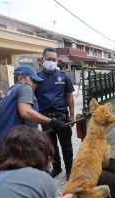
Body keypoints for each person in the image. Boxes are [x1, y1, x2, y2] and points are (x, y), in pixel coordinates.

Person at [0, 65, 67, 152]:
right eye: (33, 81)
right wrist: (52, 122)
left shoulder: (9, 94)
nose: (35, 84)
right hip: (18, 148)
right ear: (21, 78)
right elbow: (25, 112)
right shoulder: (25, 87)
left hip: (2, 148)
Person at [35, 47, 75, 180]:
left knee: (67, 147)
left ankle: (70, 169)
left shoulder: (63, 76)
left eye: (54, 59)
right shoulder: (37, 78)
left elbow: (70, 96)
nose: (51, 62)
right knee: (51, 147)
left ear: (57, 60)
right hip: (45, 119)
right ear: (43, 60)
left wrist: (72, 115)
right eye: (48, 59)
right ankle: (57, 168)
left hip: (62, 117)